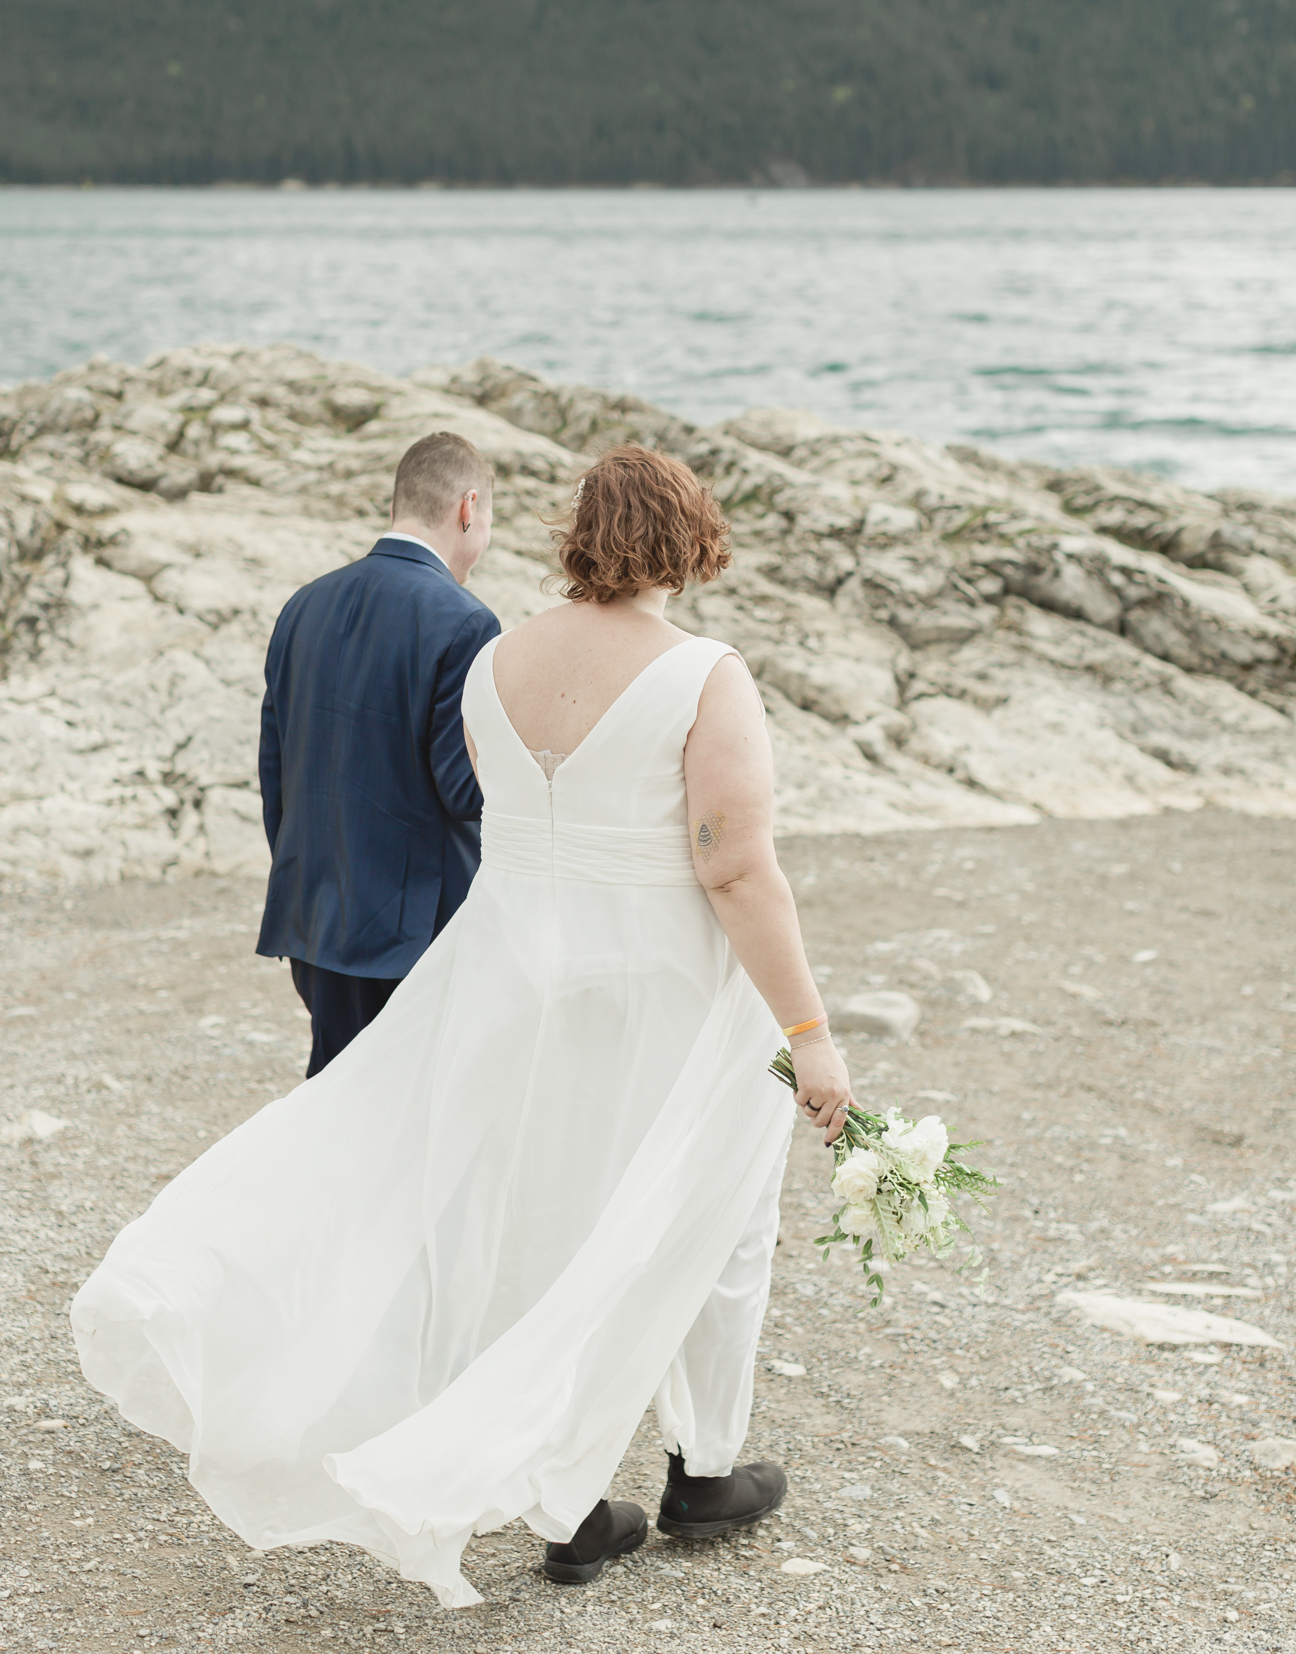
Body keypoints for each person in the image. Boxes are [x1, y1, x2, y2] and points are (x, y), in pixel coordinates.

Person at [71, 443, 854, 1609]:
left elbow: (505, 817)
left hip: (514, 976)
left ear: (577, 532)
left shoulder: (496, 658)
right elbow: (735, 868)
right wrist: (809, 1032)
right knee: (715, 1216)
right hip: (665, 987)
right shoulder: (704, 674)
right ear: (688, 539)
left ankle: (573, 1500)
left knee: (538, 1221)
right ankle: (703, 1470)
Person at [256, 430, 501, 1076]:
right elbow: (463, 790)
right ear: (468, 508)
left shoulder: (302, 607)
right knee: (416, 1120)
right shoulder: (466, 622)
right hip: (414, 932)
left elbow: (275, 772)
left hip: (314, 918)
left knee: (337, 1104)